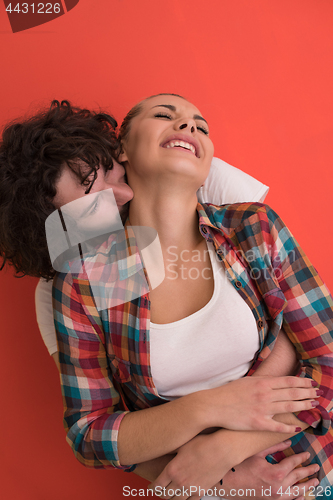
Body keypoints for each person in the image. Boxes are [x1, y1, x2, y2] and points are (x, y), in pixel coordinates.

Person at [0, 98, 329, 500]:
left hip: (311, 461)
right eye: (88, 200)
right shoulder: (85, 281)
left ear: (116, 156)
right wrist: (218, 463)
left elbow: (322, 353)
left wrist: (222, 448)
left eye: (201, 125)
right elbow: (91, 433)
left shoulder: (248, 224)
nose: (189, 126)